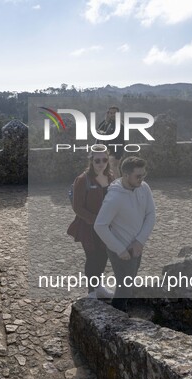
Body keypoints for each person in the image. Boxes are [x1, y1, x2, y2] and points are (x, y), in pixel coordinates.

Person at [94, 156, 156, 311]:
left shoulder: (144, 187)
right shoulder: (114, 197)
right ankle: (115, 318)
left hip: (136, 246)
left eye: (143, 175)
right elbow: (100, 225)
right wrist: (120, 249)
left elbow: (151, 214)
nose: (142, 179)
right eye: (138, 176)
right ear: (126, 175)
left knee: (128, 283)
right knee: (125, 288)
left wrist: (140, 241)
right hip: (121, 250)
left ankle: (120, 312)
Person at [67, 146, 116, 299]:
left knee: (104, 255)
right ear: (91, 161)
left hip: (107, 226)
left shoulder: (110, 178)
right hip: (89, 227)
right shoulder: (83, 180)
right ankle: (92, 291)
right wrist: (96, 221)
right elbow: (77, 207)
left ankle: (99, 286)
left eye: (104, 160)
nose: (101, 163)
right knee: (92, 257)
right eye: (97, 160)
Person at [95, 106, 125, 178]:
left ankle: (119, 187)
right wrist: (106, 120)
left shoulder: (119, 125)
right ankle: (116, 186)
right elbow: (99, 129)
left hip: (115, 152)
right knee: (111, 170)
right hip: (109, 151)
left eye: (114, 113)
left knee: (114, 169)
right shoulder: (110, 123)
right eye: (110, 113)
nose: (112, 114)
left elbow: (121, 141)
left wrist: (118, 155)